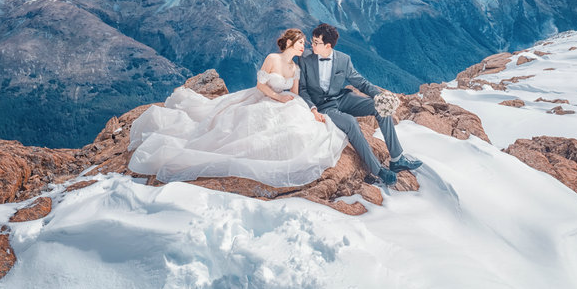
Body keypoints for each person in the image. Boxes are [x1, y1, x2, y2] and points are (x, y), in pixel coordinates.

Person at [127, 29, 347, 187]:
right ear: (290, 43)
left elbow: (296, 93)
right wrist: (277, 99)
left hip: (285, 101)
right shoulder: (273, 58)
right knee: (240, 128)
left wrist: (307, 109)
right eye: (300, 42)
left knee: (300, 127)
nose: (304, 46)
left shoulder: (295, 66)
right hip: (263, 97)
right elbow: (261, 85)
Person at [296, 23, 423, 187]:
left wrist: (379, 96)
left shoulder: (343, 60)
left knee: (381, 107)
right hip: (324, 107)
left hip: (342, 98)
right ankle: (377, 170)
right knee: (350, 122)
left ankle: (397, 159)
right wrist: (312, 108)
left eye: (315, 42)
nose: (311, 45)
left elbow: (361, 83)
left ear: (328, 45)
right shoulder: (304, 59)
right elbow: (303, 89)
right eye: (312, 41)